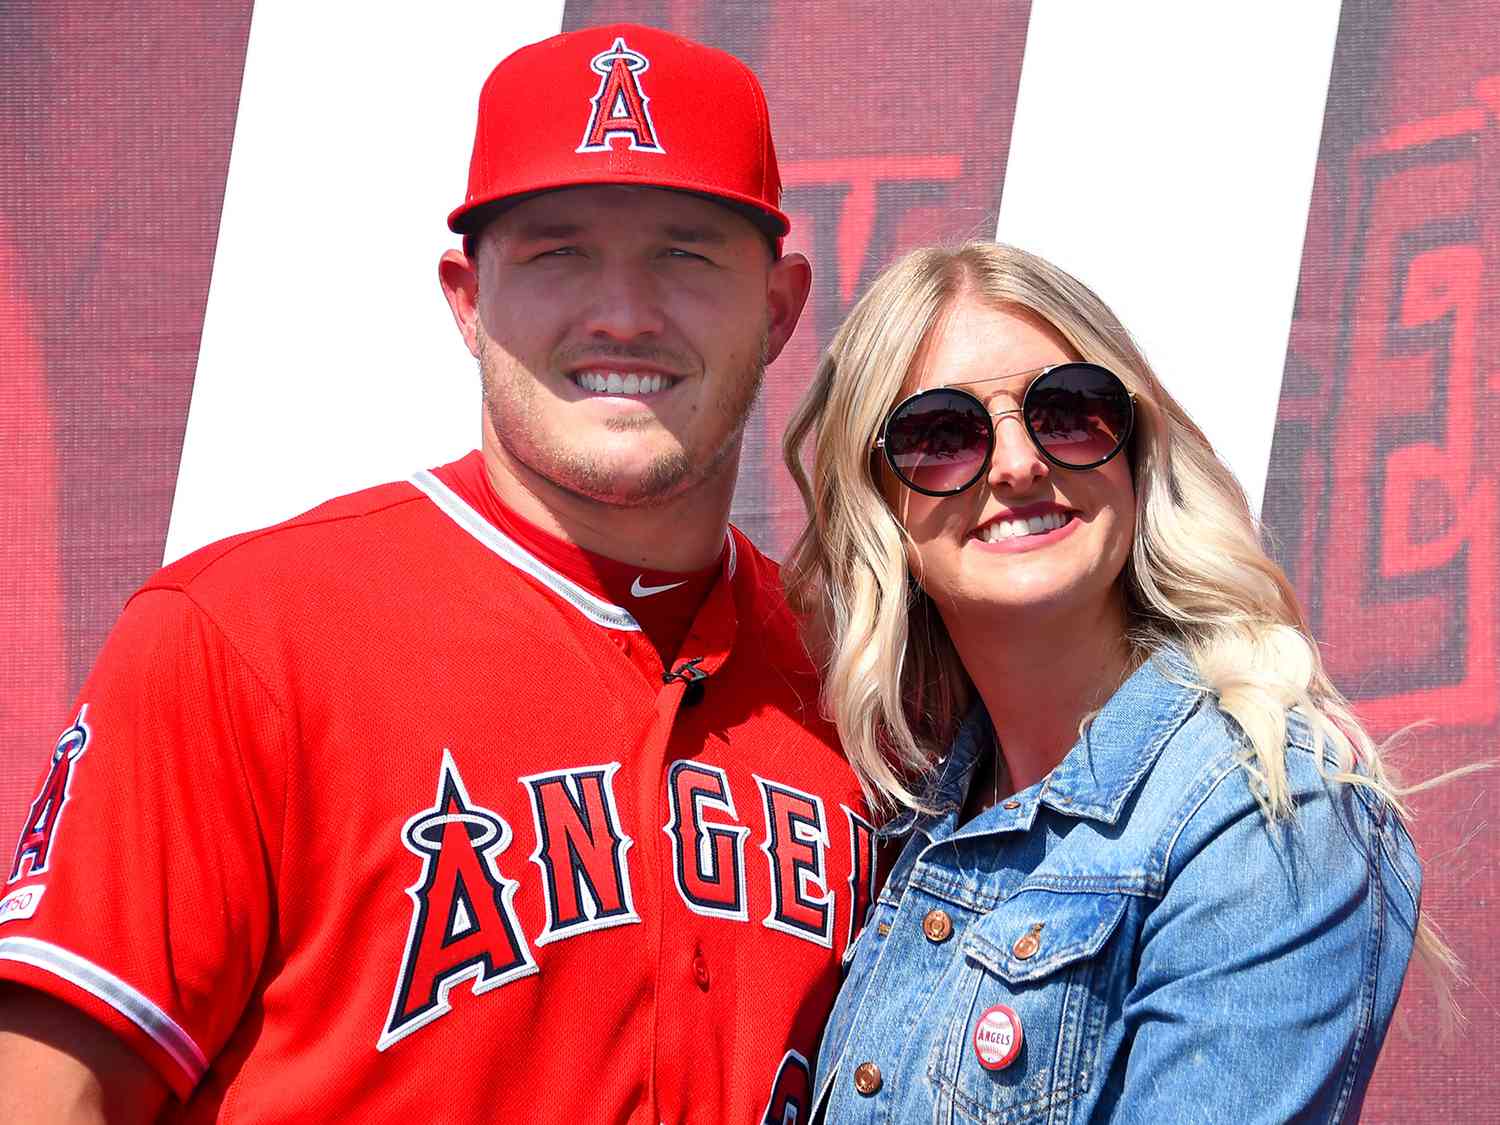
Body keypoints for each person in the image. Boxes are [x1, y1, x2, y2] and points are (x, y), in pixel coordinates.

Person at [0, 24, 874, 1123]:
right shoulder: (239, 640)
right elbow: (46, 1097)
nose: (623, 312)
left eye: (684, 254)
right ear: (467, 297)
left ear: (782, 306)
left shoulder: (862, 685)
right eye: (558, 252)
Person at [781, 242, 1446, 1122]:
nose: (1018, 463)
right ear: (881, 509)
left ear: (1132, 450)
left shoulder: (1265, 810)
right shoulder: (898, 821)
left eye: (1068, 411)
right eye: (942, 433)